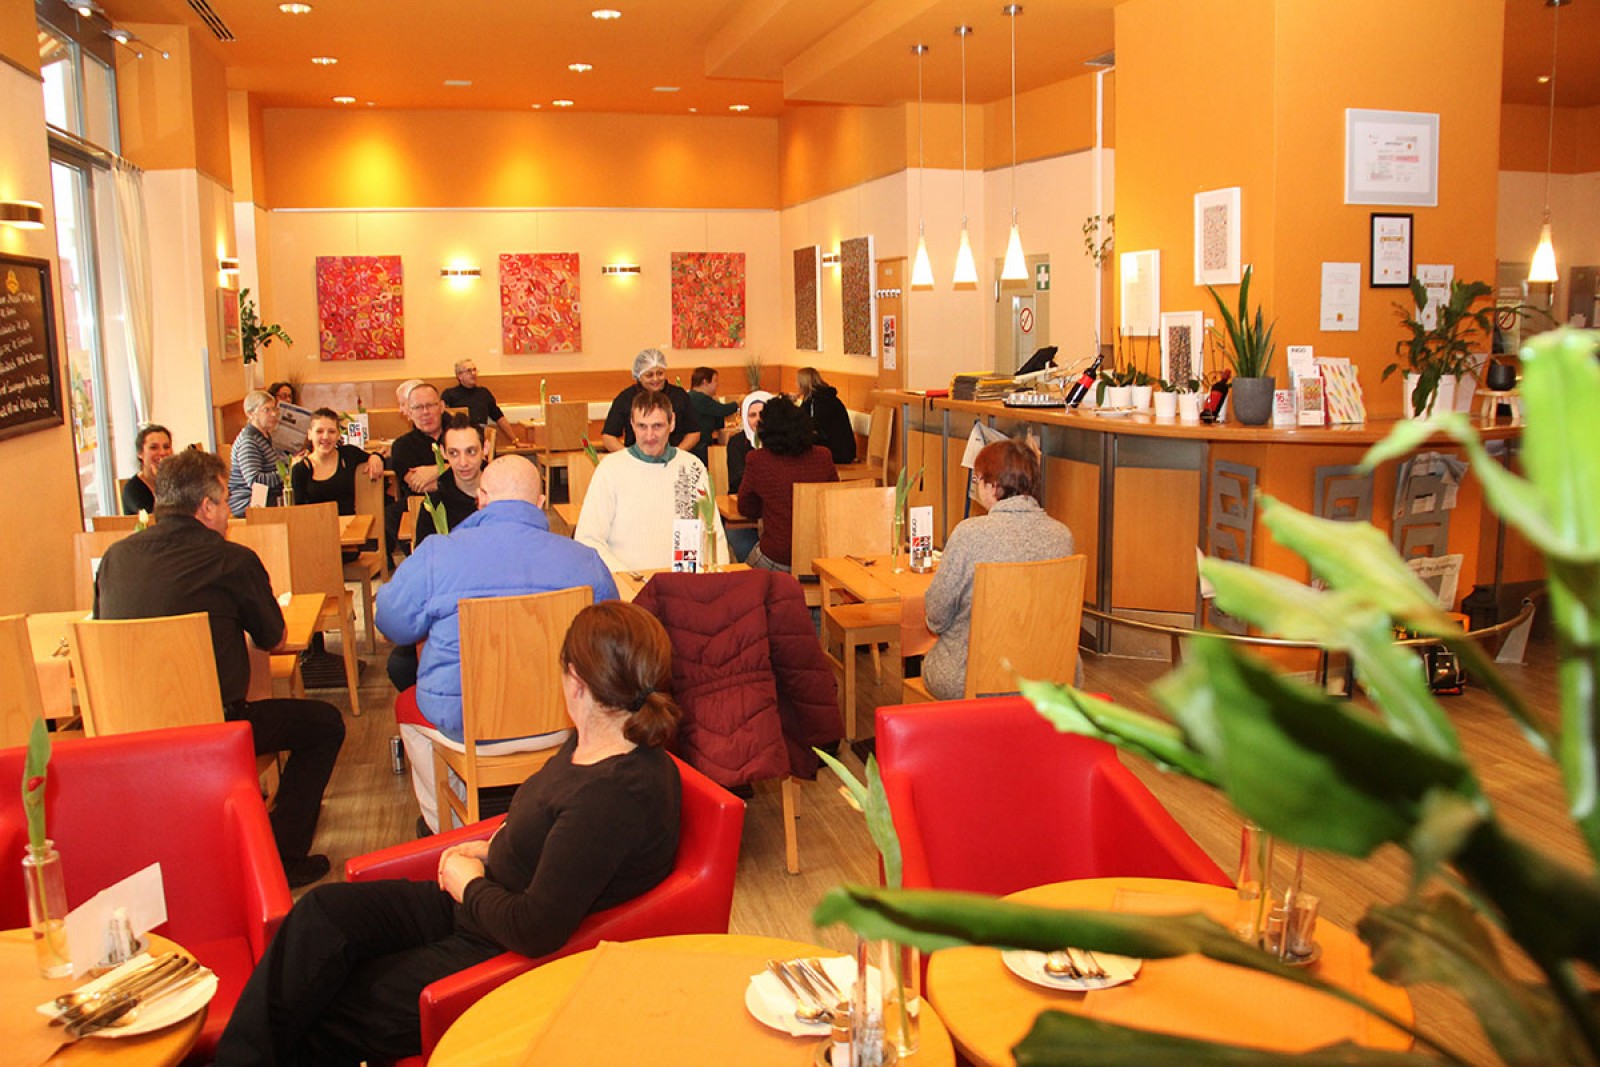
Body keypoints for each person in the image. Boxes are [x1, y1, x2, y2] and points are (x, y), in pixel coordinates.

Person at [214, 600, 683, 1065]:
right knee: (322, 914)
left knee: (334, 1008)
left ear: (576, 682)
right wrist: (492, 847)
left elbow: (536, 929)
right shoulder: (596, 740)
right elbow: (553, 826)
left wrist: (469, 884)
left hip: (497, 943)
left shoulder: (612, 796)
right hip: (477, 904)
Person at [94, 449, 345, 888]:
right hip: (214, 730)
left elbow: (103, 631)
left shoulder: (114, 558)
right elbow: (274, 639)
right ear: (206, 506)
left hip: (125, 736)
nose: (229, 512)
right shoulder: (232, 560)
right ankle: (282, 857)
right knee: (324, 724)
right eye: (226, 500)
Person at [376, 455, 620, 834]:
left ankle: (445, 829)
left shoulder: (438, 553)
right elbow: (611, 638)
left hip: (463, 726)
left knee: (407, 704)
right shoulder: (585, 560)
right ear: (541, 502)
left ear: (482, 498)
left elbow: (391, 624)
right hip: (562, 721)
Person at [921, 439, 1076, 700]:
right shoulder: (1062, 536)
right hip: (1050, 677)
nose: (976, 486)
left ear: (993, 486)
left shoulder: (970, 534)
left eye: (977, 479)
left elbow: (936, 615)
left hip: (970, 677)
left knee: (931, 660)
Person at [576, 389, 727, 573]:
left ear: (672, 423)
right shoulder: (610, 469)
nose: (649, 436)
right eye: (642, 426)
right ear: (632, 424)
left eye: (657, 426)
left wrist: (717, 575)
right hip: (628, 581)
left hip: (684, 579)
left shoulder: (692, 467)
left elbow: (713, 533)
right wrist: (627, 578)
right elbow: (588, 539)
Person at [736, 396, 837, 572]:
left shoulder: (758, 460)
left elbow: (746, 508)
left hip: (777, 558)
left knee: (743, 575)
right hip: (822, 558)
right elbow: (834, 502)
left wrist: (770, 507)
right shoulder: (823, 456)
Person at [386, 382, 447, 559]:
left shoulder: (460, 433)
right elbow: (418, 485)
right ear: (410, 413)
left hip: (459, 501)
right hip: (420, 505)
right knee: (392, 515)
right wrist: (454, 472)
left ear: (441, 407)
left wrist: (436, 470)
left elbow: (478, 468)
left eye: (430, 405)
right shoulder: (402, 446)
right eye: (418, 408)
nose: (425, 412)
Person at [599, 347, 699, 454]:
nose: (655, 379)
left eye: (660, 373)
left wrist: (676, 455)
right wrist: (629, 457)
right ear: (639, 376)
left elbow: (694, 432)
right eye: (649, 375)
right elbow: (608, 436)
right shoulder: (626, 398)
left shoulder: (679, 396)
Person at [290, 408, 384, 516]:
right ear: (310, 434)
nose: (326, 437)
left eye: (331, 431)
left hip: (349, 524)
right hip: (315, 524)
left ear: (338, 434)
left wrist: (376, 457)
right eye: (319, 431)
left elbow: (384, 461)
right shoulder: (300, 470)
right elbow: (298, 512)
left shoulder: (348, 454)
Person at [414, 414, 485, 545]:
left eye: (471, 451)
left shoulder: (504, 496)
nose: (463, 462)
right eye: (454, 453)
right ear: (443, 453)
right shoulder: (434, 506)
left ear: (484, 449)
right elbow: (424, 554)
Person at [228, 390, 288, 515]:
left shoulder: (263, 436)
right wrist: (286, 473)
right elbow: (255, 481)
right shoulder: (249, 441)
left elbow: (272, 464)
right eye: (266, 410)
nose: (273, 414)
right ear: (251, 414)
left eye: (274, 409)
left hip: (267, 496)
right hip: (250, 502)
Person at [441, 359, 520, 444]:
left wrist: (515, 440)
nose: (473, 373)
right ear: (459, 376)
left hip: (481, 437)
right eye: (469, 371)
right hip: (460, 438)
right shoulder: (449, 394)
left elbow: (499, 417)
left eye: (474, 370)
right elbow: (441, 416)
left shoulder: (484, 393)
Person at [795, 367, 857, 464]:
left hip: (838, 451)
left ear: (803, 384)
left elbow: (814, 427)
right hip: (841, 448)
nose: (796, 385)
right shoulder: (820, 397)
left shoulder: (820, 401)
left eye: (798, 383)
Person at [685, 366, 737, 466]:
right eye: (715, 381)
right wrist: (738, 403)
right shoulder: (698, 398)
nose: (717, 384)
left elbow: (718, 419)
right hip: (698, 448)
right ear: (705, 382)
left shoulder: (700, 398)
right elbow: (723, 410)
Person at [120, 423, 172, 515]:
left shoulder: (177, 481)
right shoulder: (133, 489)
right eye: (154, 447)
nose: (162, 452)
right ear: (140, 453)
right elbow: (157, 518)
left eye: (166, 447)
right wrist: (161, 481)